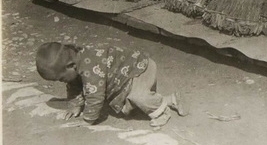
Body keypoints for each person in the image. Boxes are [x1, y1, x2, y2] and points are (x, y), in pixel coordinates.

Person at [36, 42, 188, 127]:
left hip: (139, 69)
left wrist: (88, 120)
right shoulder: (75, 65)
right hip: (124, 76)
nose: (62, 82)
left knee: (138, 96)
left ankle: (162, 111)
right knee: (126, 107)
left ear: (70, 66)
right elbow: (74, 85)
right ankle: (172, 99)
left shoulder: (90, 67)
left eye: (61, 78)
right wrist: (75, 105)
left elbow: (95, 97)